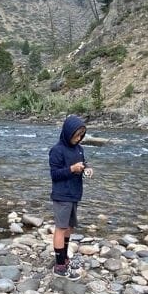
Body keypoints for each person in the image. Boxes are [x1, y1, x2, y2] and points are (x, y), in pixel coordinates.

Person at [49, 114, 92, 278]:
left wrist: (87, 169)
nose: (79, 138)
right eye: (76, 135)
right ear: (68, 132)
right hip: (61, 195)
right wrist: (71, 169)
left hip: (75, 194)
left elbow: (84, 163)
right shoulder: (57, 150)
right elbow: (55, 175)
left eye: (81, 135)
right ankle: (59, 266)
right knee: (60, 228)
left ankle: (64, 257)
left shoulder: (79, 149)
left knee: (69, 227)